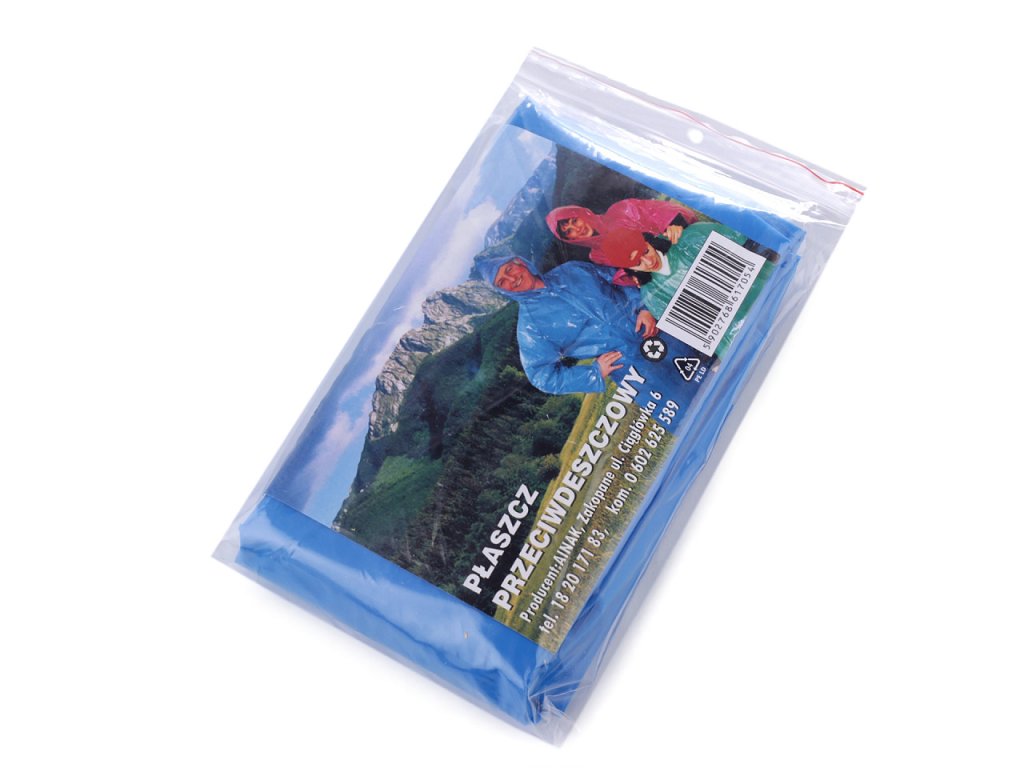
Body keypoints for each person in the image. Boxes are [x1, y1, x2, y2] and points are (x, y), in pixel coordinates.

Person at [479, 255, 661, 395]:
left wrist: (643, 307)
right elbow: (540, 374)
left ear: (520, 262)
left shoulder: (572, 270)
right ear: (502, 291)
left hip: (655, 327)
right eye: (502, 282)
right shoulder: (530, 327)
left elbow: (620, 278)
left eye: (509, 269)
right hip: (630, 368)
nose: (511, 279)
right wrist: (594, 373)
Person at [596, 222, 776, 359]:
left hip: (772, 296)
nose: (649, 262)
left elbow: (753, 245)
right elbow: (711, 337)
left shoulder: (692, 237)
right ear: (630, 270)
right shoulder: (653, 296)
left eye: (645, 251)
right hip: (749, 339)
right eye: (637, 263)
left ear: (648, 241)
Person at [544, 198, 698, 263]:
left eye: (575, 220)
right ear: (569, 240)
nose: (578, 229)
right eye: (569, 231)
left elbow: (661, 210)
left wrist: (674, 225)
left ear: (583, 214)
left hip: (688, 246)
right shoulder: (598, 256)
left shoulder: (621, 210)